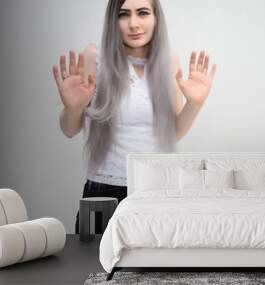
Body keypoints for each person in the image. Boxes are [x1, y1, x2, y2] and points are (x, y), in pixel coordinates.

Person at [52, 0, 217, 234]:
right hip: (104, 190)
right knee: (94, 268)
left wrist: (195, 104)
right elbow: (69, 130)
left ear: (155, 17)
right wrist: (73, 108)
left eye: (142, 13)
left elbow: (172, 133)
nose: (134, 24)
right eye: (123, 14)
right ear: (113, 19)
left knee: (153, 268)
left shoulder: (169, 61)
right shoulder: (94, 56)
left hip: (157, 188)